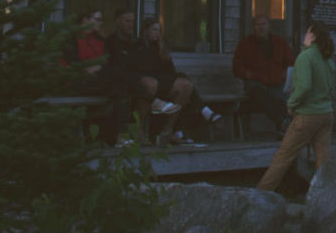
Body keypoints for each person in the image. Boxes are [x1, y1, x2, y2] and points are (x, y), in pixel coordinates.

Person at [257, 21, 336, 191]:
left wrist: (291, 104)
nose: (304, 36)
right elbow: (331, 88)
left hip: (308, 114)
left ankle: (260, 194)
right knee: (323, 160)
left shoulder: (305, 57)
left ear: (313, 36)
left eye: (307, 33)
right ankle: (325, 198)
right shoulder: (327, 58)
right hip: (326, 113)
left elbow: (304, 86)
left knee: (283, 157)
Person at [118, 20, 220, 146]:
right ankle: (139, 132)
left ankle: (168, 131)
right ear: (145, 31)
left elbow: (171, 72)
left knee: (185, 84)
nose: (157, 33)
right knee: (151, 86)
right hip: (144, 86)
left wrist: (163, 53)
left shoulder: (161, 49)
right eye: (154, 29)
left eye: (159, 30)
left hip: (162, 84)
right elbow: (136, 70)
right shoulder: (137, 47)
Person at [60, 9, 129, 144]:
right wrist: (98, 67)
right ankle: (118, 136)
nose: (101, 23)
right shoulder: (71, 39)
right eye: (97, 19)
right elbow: (78, 68)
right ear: (85, 20)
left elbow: (106, 61)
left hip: (97, 81)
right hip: (76, 83)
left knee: (121, 88)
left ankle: (120, 136)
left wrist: (97, 67)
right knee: (119, 80)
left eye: (101, 20)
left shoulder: (99, 40)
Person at [231, 15, 293, 136]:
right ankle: (281, 122)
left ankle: (284, 128)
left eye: (264, 24)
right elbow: (236, 67)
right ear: (254, 28)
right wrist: (248, 74)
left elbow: (290, 62)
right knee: (258, 93)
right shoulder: (245, 44)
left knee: (283, 98)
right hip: (256, 82)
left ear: (269, 26)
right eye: (258, 25)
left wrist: (284, 74)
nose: (261, 28)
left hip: (277, 83)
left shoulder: (280, 42)